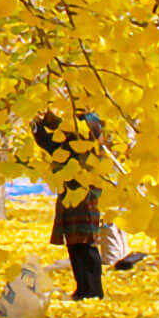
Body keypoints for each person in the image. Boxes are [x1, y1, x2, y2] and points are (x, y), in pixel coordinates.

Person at [32, 108, 107, 301]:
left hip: (86, 191)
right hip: (68, 193)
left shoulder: (91, 122)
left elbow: (83, 129)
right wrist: (38, 125)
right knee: (74, 243)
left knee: (86, 242)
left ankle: (93, 290)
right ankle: (82, 288)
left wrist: (51, 118)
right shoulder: (66, 142)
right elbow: (49, 144)